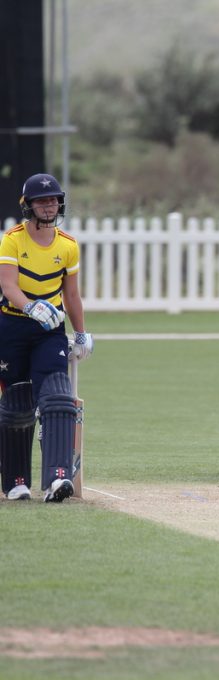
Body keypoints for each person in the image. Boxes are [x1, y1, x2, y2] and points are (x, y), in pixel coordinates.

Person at [0, 173, 93, 502]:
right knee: (17, 404)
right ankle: (16, 482)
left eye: (53, 200)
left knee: (57, 397)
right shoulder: (12, 239)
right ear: (28, 205)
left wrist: (80, 333)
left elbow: (72, 295)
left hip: (49, 330)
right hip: (12, 326)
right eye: (42, 201)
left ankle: (58, 478)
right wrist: (29, 306)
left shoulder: (67, 245)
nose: (49, 206)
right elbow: (8, 285)